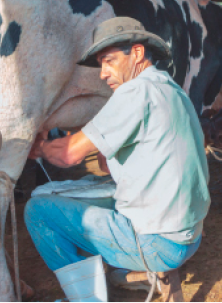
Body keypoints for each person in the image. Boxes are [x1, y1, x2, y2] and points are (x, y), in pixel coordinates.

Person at [25, 16, 210, 302]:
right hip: (190, 235)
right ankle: (117, 272)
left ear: (136, 53)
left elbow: (68, 154)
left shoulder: (135, 91)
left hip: (159, 243)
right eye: (101, 63)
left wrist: (37, 146)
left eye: (109, 60)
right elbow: (103, 164)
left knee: (38, 210)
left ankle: (87, 298)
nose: (102, 73)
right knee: (90, 192)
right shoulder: (173, 90)